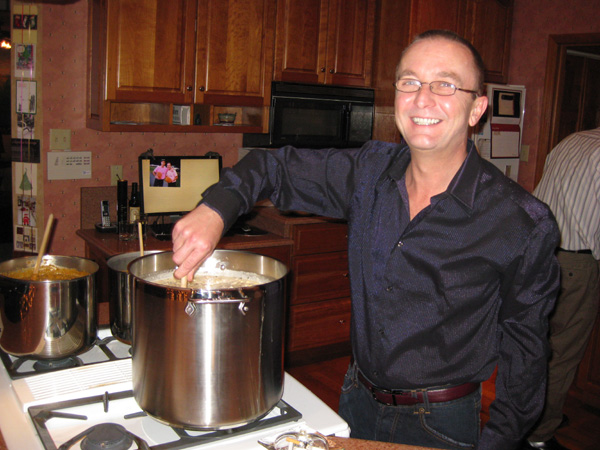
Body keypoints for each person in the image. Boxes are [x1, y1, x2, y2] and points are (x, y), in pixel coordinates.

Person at [172, 30, 560, 450]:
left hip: (441, 423)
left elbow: (527, 357)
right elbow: (271, 165)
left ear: (476, 109)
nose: (422, 98)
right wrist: (215, 209)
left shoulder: (520, 222)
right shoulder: (368, 172)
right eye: (409, 82)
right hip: (357, 398)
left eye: (445, 85)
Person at [523, 128, 600, 450]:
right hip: (576, 262)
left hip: (539, 254)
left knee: (534, 347)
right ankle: (539, 434)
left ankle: (528, 417)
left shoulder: (574, 140)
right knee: (562, 353)